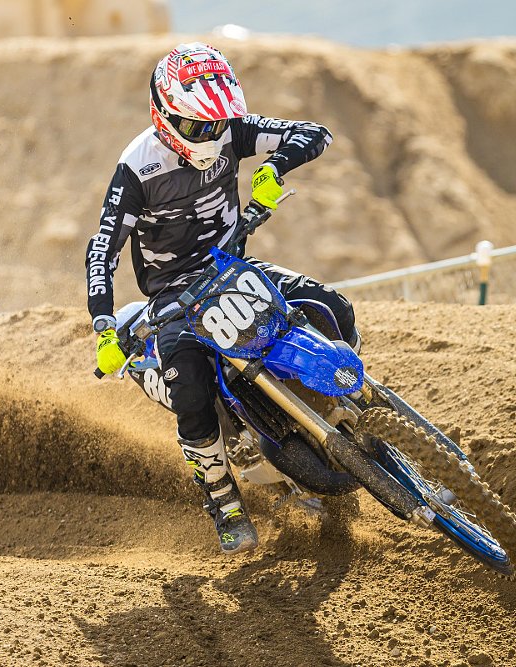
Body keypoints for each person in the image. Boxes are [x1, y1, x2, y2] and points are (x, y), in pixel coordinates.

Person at [86, 43, 359, 555]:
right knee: (188, 391)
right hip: (174, 297)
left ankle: (348, 405)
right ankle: (224, 500)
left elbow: (314, 133)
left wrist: (275, 167)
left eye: (217, 125)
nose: (210, 136)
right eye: (197, 127)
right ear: (165, 115)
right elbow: (102, 250)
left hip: (234, 267)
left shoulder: (230, 127)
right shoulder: (136, 169)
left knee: (332, 307)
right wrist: (103, 325)